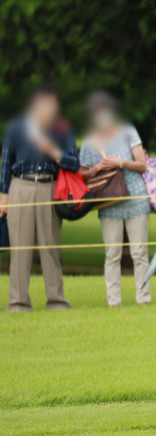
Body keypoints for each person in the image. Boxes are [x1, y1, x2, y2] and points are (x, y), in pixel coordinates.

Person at [0, 84, 79, 312]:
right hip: (20, 186)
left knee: (50, 246)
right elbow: (6, 160)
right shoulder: (17, 126)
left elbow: (75, 163)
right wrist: (4, 196)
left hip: (50, 187)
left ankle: (56, 300)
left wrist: (54, 153)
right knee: (19, 248)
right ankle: (18, 302)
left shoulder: (62, 128)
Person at [78, 91, 151, 307]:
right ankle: (113, 302)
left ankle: (143, 298)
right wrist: (96, 169)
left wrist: (120, 163)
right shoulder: (89, 142)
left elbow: (142, 164)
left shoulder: (127, 130)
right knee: (112, 254)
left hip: (136, 198)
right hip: (108, 201)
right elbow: (81, 173)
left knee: (139, 252)